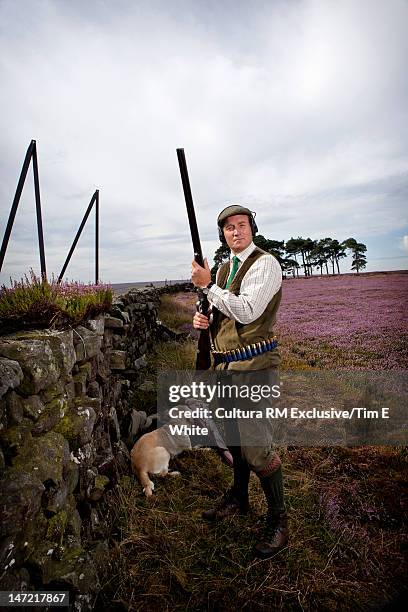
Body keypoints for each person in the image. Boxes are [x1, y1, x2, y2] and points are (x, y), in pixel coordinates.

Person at [191, 204, 288, 559]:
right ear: (223, 234)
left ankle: (279, 520)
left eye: (242, 225)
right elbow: (219, 315)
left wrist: (207, 286)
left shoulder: (265, 264)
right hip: (225, 368)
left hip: (256, 366)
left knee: (257, 448)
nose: (236, 232)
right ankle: (240, 496)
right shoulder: (221, 269)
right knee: (233, 439)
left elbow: (247, 310)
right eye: (229, 228)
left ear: (252, 229)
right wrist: (202, 320)